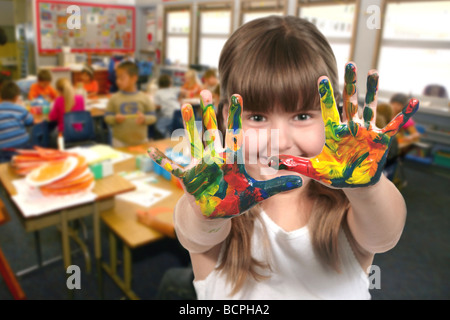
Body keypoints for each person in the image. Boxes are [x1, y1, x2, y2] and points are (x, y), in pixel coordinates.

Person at [147, 16, 419, 300]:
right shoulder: (214, 201)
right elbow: (195, 234)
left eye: (302, 116)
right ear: (227, 117)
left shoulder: (351, 204)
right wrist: (206, 215)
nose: (281, 141)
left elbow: (384, 236)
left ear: (333, 116)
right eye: (257, 116)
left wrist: (366, 188)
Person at [104, 61, 156, 147]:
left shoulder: (144, 97)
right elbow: (107, 117)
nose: (118, 81)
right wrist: (115, 119)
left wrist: (144, 119)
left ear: (134, 78)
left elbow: (152, 117)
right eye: (117, 78)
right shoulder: (114, 98)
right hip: (119, 141)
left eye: (122, 78)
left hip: (141, 140)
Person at [0, 81, 34, 162]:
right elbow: (31, 120)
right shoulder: (20, 109)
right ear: (16, 97)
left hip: (3, 149)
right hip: (22, 146)